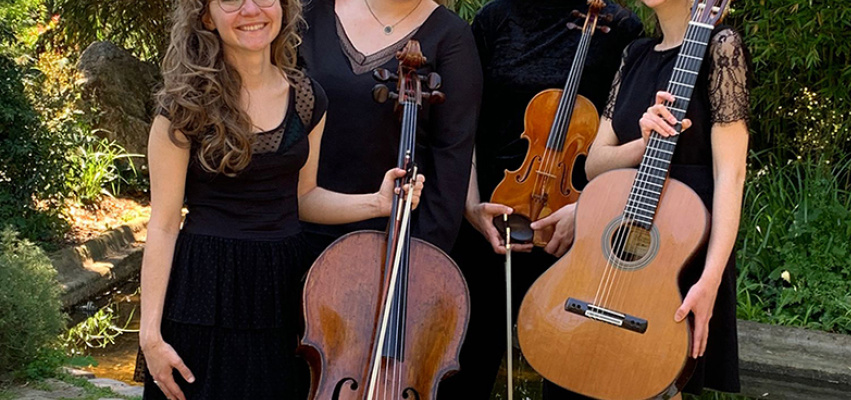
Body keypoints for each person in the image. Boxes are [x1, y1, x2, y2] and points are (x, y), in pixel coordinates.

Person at [137, 0, 423, 398]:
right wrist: (149, 335)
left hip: (284, 292)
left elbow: (303, 198)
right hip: (206, 292)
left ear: (285, 9)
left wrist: (377, 203)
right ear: (206, 16)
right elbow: (164, 223)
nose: (251, 10)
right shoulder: (183, 107)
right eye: (231, 1)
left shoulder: (309, 99)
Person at [438, 1, 642, 399]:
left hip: (571, 230)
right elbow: (462, 122)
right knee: (466, 365)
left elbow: (624, 140)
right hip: (490, 220)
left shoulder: (621, 28)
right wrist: (472, 207)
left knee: (569, 368)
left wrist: (585, 211)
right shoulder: (496, 19)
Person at [583, 0, 750, 396]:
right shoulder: (634, 54)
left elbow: (731, 173)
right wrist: (642, 143)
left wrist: (710, 281)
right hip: (619, 243)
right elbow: (594, 166)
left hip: (682, 250)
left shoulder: (721, 47)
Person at [298, 0, 481, 257]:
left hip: (390, 243)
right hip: (296, 229)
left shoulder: (452, 37)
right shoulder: (308, 14)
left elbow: (450, 161)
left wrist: (420, 261)